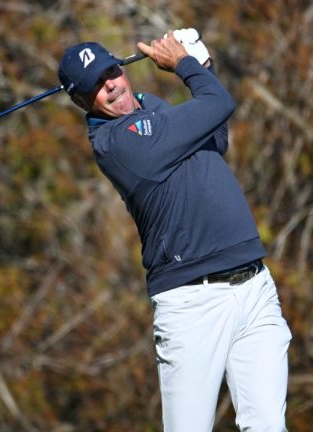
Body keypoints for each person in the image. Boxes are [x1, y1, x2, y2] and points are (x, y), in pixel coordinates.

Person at [58, 29, 292, 431]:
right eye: (95, 85)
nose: (110, 85)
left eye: (110, 71)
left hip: (254, 287)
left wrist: (204, 64)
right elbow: (218, 103)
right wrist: (184, 63)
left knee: (269, 425)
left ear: (121, 69)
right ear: (81, 102)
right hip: (192, 304)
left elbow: (215, 136)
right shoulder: (117, 143)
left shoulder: (152, 107)